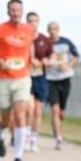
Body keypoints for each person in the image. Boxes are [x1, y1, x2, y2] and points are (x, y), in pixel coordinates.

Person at [0, 0, 35, 161]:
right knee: (7, 118)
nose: (16, 13)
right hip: (2, 77)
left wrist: (31, 60)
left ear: (22, 11)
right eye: (13, 10)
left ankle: (18, 159)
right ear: (8, 11)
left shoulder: (28, 30)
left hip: (22, 77)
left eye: (18, 10)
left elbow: (29, 48)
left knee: (21, 115)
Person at [44, 21, 79, 150]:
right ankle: (58, 138)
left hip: (65, 78)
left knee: (61, 112)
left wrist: (68, 65)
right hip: (50, 79)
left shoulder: (66, 42)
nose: (53, 31)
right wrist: (46, 63)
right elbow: (40, 58)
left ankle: (59, 122)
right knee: (55, 110)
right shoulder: (45, 43)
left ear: (58, 30)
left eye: (55, 29)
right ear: (48, 30)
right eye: (51, 29)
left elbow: (76, 56)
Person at [27, 11, 53, 152]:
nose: (32, 23)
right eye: (30, 20)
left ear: (38, 22)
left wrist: (46, 61)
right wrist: (30, 60)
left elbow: (52, 57)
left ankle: (33, 139)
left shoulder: (45, 40)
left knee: (37, 111)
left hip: (41, 78)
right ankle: (24, 136)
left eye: (35, 20)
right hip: (26, 77)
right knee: (29, 109)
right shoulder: (23, 38)